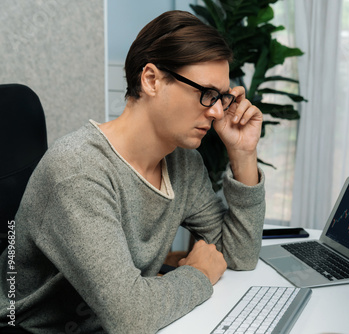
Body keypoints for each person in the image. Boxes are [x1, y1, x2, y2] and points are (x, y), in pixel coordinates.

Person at [0, 10, 265, 334]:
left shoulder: (181, 162)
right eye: (207, 94)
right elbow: (132, 318)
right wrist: (197, 273)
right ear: (151, 79)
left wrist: (243, 152)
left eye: (222, 97)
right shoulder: (78, 173)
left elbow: (239, 256)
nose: (217, 111)